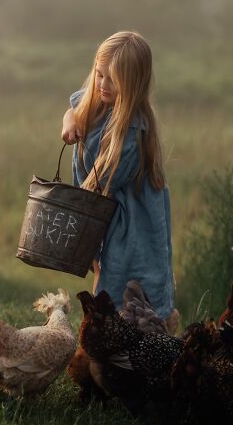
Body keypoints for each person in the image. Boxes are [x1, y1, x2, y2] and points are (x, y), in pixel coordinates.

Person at [60, 31, 177, 327]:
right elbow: (72, 109)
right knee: (105, 272)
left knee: (127, 278)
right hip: (103, 212)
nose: (102, 84)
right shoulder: (98, 103)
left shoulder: (133, 132)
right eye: (99, 74)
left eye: (112, 80)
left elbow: (100, 190)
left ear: (132, 84)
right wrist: (70, 123)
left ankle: (146, 328)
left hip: (129, 221)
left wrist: (81, 230)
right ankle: (113, 328)